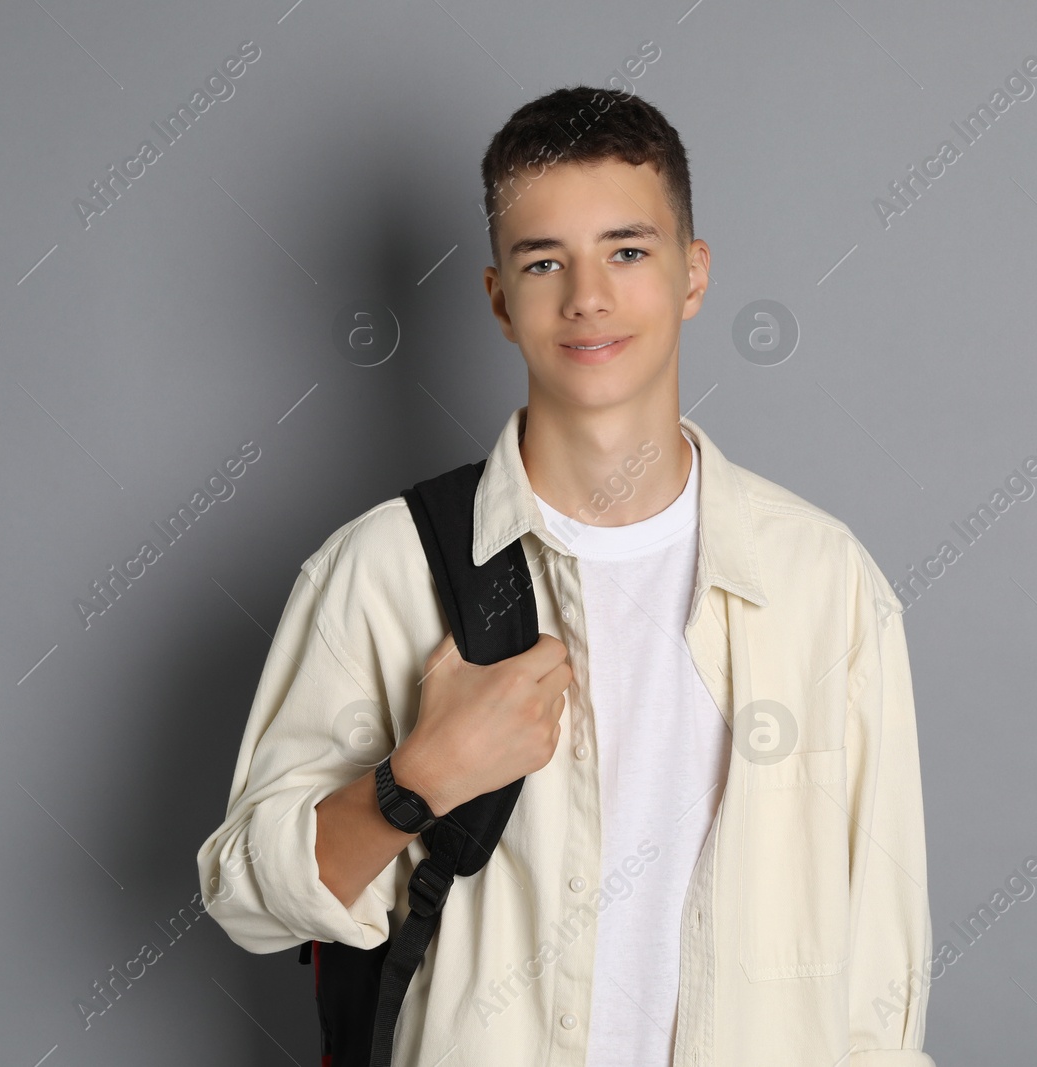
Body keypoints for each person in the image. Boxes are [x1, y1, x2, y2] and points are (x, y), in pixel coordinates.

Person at [197, 84, 937, 1066]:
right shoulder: (384, 568)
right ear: (500, 297)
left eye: (627, 251)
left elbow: (878, 982)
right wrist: (415, 780)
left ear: (692, 275)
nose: (586, 296)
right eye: (545, 260)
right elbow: (248, 896)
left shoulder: (820, 580)